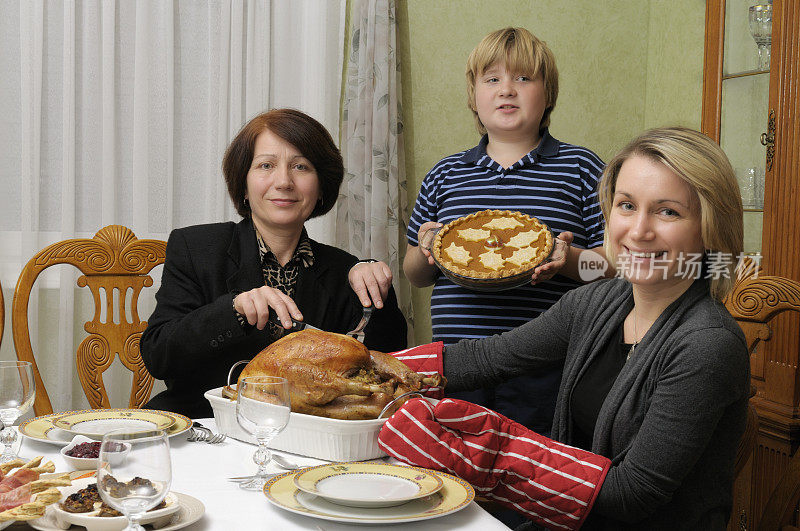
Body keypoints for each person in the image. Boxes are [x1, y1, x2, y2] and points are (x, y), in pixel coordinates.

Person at [380, 127, 749, 530]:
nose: (639, 231)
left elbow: (632, 493)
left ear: (711, 227)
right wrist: (369, 367)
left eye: (668, 212)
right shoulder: (597, 302)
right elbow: (489, 357)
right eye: (626, 206)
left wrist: (487, 452)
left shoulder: (707, 343)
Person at [404, 27, 608, 438]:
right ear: (474, 96)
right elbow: (415, 274)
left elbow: (608, 270)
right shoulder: (446, 175)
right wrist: (427, 245)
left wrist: (565, 259)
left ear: (548, 94)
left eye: (523, 78)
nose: (506, 90)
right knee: (456, 471)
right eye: (492, 79)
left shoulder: (582, 168)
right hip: (457, 363)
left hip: (546, 365)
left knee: (531, 474)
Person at [141, 109, 408, 418]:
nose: (284, 181)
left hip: (308, 444)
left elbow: (387, 372)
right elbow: (159, 355)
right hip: (203, 427)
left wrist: (378, 291)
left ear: (321, 187)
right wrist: (233, 310)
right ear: (243, 182)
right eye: (266, 165)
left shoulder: (345, 270)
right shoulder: (196, 247)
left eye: (301, 167)